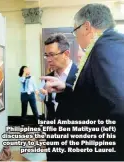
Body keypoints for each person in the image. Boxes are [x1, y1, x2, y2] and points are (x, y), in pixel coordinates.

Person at [41, 3, 124, 161]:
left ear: (86, 27)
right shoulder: (108, 44)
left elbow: (118, 104)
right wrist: (65, 88)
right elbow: (96, 94)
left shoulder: (106, 47)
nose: (75, 36)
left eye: (75, 30)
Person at [39, 33, 78, 161]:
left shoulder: (81, 74)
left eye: (51, 55)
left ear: (66, 54)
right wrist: (43, 97)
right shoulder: (48, 77)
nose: (48, 59)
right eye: (46, 55)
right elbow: (52, 106)